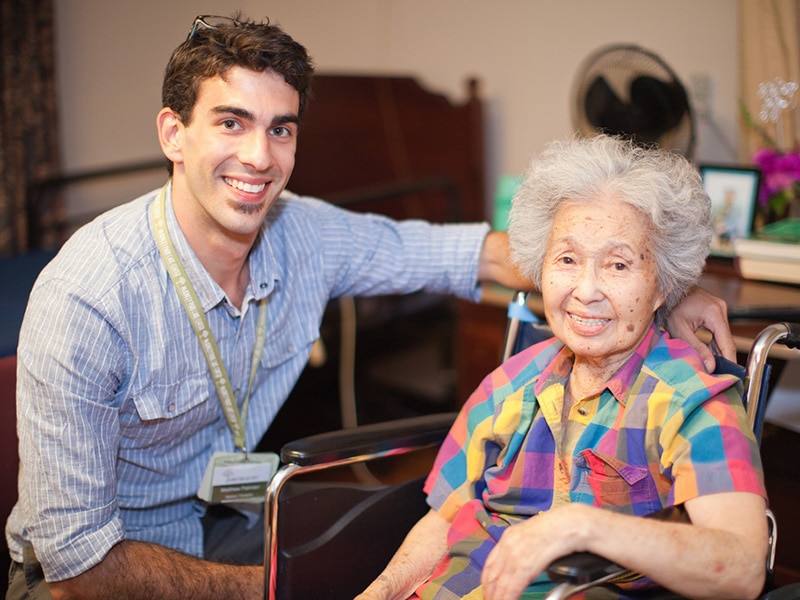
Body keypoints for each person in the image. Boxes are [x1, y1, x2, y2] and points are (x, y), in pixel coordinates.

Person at [5, 14, 734, 600]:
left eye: (280, 128)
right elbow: (78, 569)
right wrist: (276, 588)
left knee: (413, 559)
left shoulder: (306, 234)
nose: (259, 157)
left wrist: (656, 283)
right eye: (230, 122)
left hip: (226, 518)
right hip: (105, 568)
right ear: (174, 133)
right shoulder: (87, 299)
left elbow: (478, 254)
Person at [357, 135, 768, 600]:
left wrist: (585, 526)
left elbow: (742, 566)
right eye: (567, 259)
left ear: (661, 288)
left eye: (617, 264)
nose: (585, 289)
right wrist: (381, 592)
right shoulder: (509, 385)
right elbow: (446, 518)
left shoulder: (690, 401)